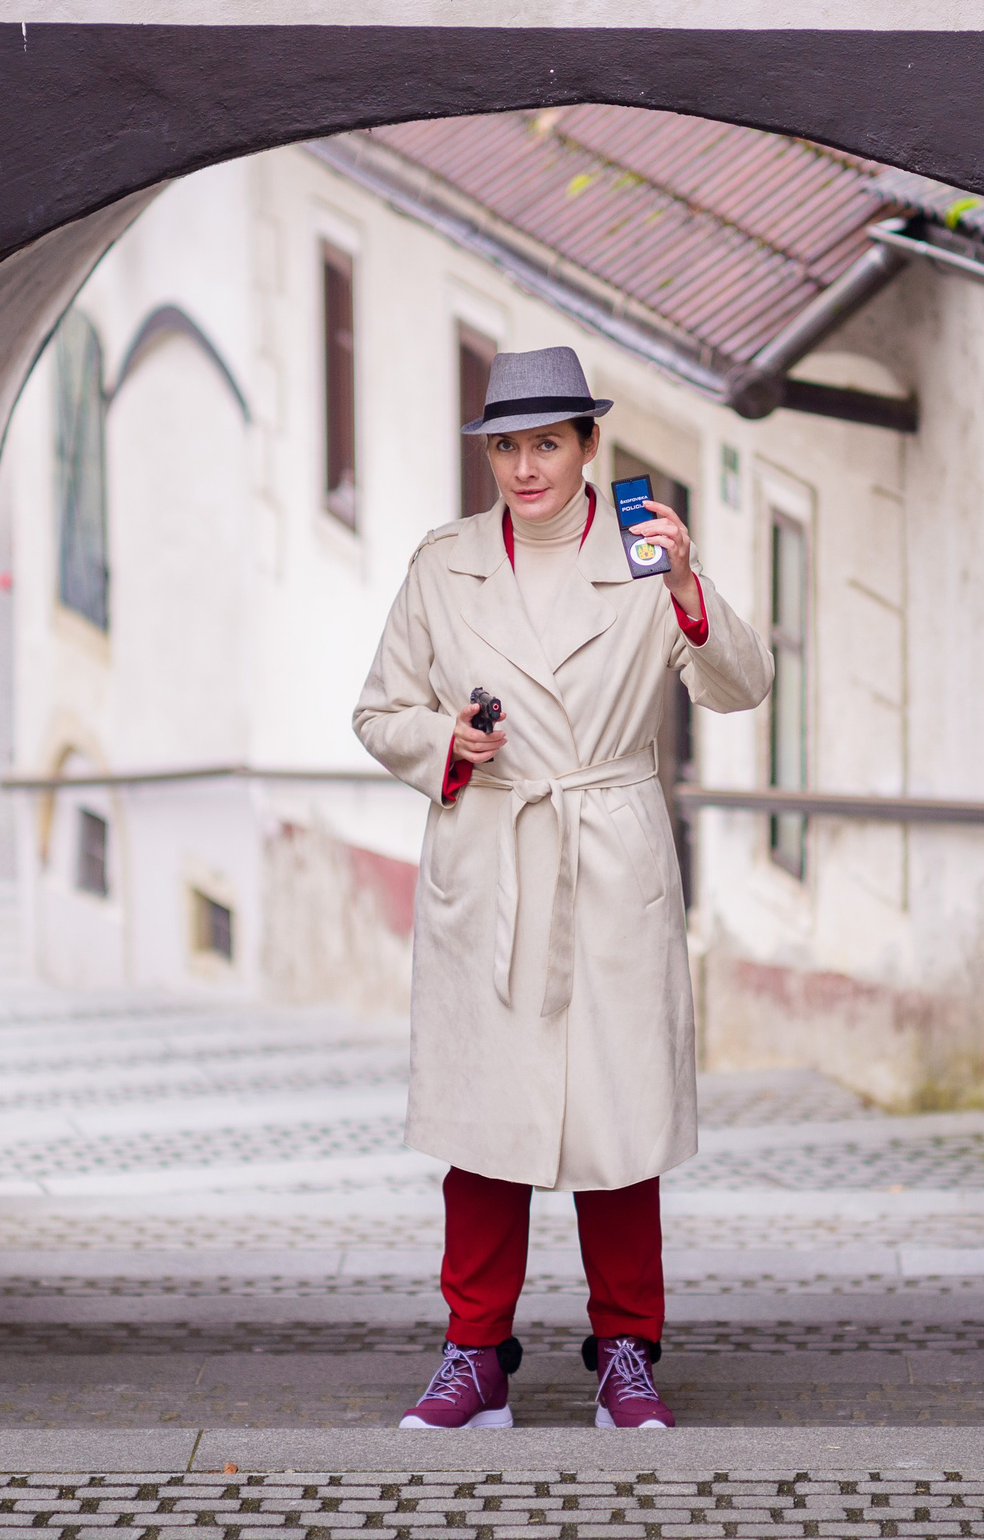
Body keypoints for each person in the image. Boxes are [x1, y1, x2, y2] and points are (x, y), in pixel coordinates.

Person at [353, 346, 773, 1429]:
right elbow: (377, 711)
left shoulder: (644, 549)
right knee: (483, 1126)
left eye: (548, 442)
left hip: (610, 850)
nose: (526, 466)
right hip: (491, 854)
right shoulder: (442, 561)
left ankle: (627, 1350)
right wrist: (444, 739)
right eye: (506, 445)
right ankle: (473, 1354)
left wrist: (687, 586)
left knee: (617, 1119)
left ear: (591, 444)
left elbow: (743, 684)